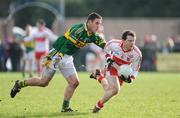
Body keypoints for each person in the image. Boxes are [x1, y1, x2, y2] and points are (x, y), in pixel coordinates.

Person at [10, 12, 106, 112]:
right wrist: (59, 56)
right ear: (89, 22)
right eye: (97, 23)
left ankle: (65, 108)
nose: (99, 25)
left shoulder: (93, 35)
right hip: (57, 54)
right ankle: (19, 84)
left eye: (100, 23)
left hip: (67, 57)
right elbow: (67, 43)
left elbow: (105, 45)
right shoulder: (79, 29)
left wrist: (116, 48)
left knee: (74, 83)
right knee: (43, 82)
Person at [90, 30, 142, 113]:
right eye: (130, 41)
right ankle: (98, 106)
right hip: (112, 66)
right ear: (123, 40)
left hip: (123, 72)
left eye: (133, 41)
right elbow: (106, 48)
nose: (132, 43)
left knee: (109, 90)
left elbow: (136, 69)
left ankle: (98, 76)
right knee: (115, 90)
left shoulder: (137, 54)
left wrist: (131, 78)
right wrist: (108, 58)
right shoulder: (114, 43)